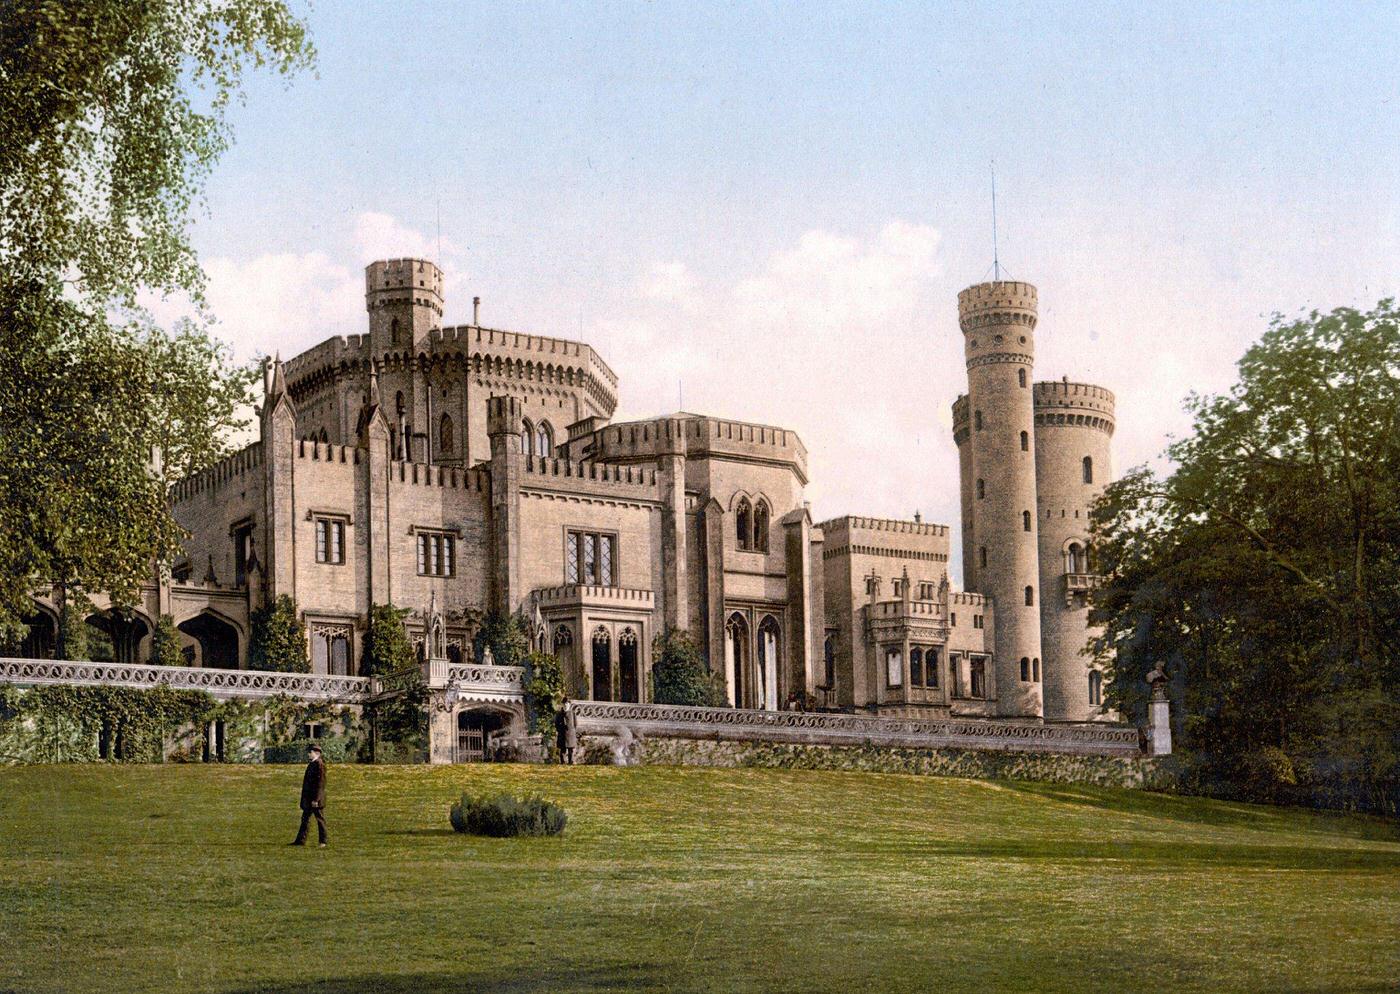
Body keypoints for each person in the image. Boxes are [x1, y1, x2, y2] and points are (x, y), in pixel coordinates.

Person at [291, 743, 327, 847]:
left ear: (316, 753)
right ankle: (300, 840)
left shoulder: (320, 765)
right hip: (309, 798)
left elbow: (320, 783)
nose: (308, 754)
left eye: (310, 752)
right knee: (305, 819)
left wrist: (316, 799)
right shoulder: (312, 764)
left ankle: (323, 841)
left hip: (315, 799)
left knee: (320, 819)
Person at [554, 697, 578, 765]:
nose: (565, 705)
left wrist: (572, 730)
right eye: (564, 703)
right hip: (562, 733)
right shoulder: (559, 713)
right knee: (562, 749)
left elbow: (575, 724)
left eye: (567, 703)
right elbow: (556, 724)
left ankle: (570, 762)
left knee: (570, 749)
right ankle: (562, 762)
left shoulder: (572, 713)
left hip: (570, 733)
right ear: (562, 704)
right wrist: (560, 730)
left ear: (569, 704)